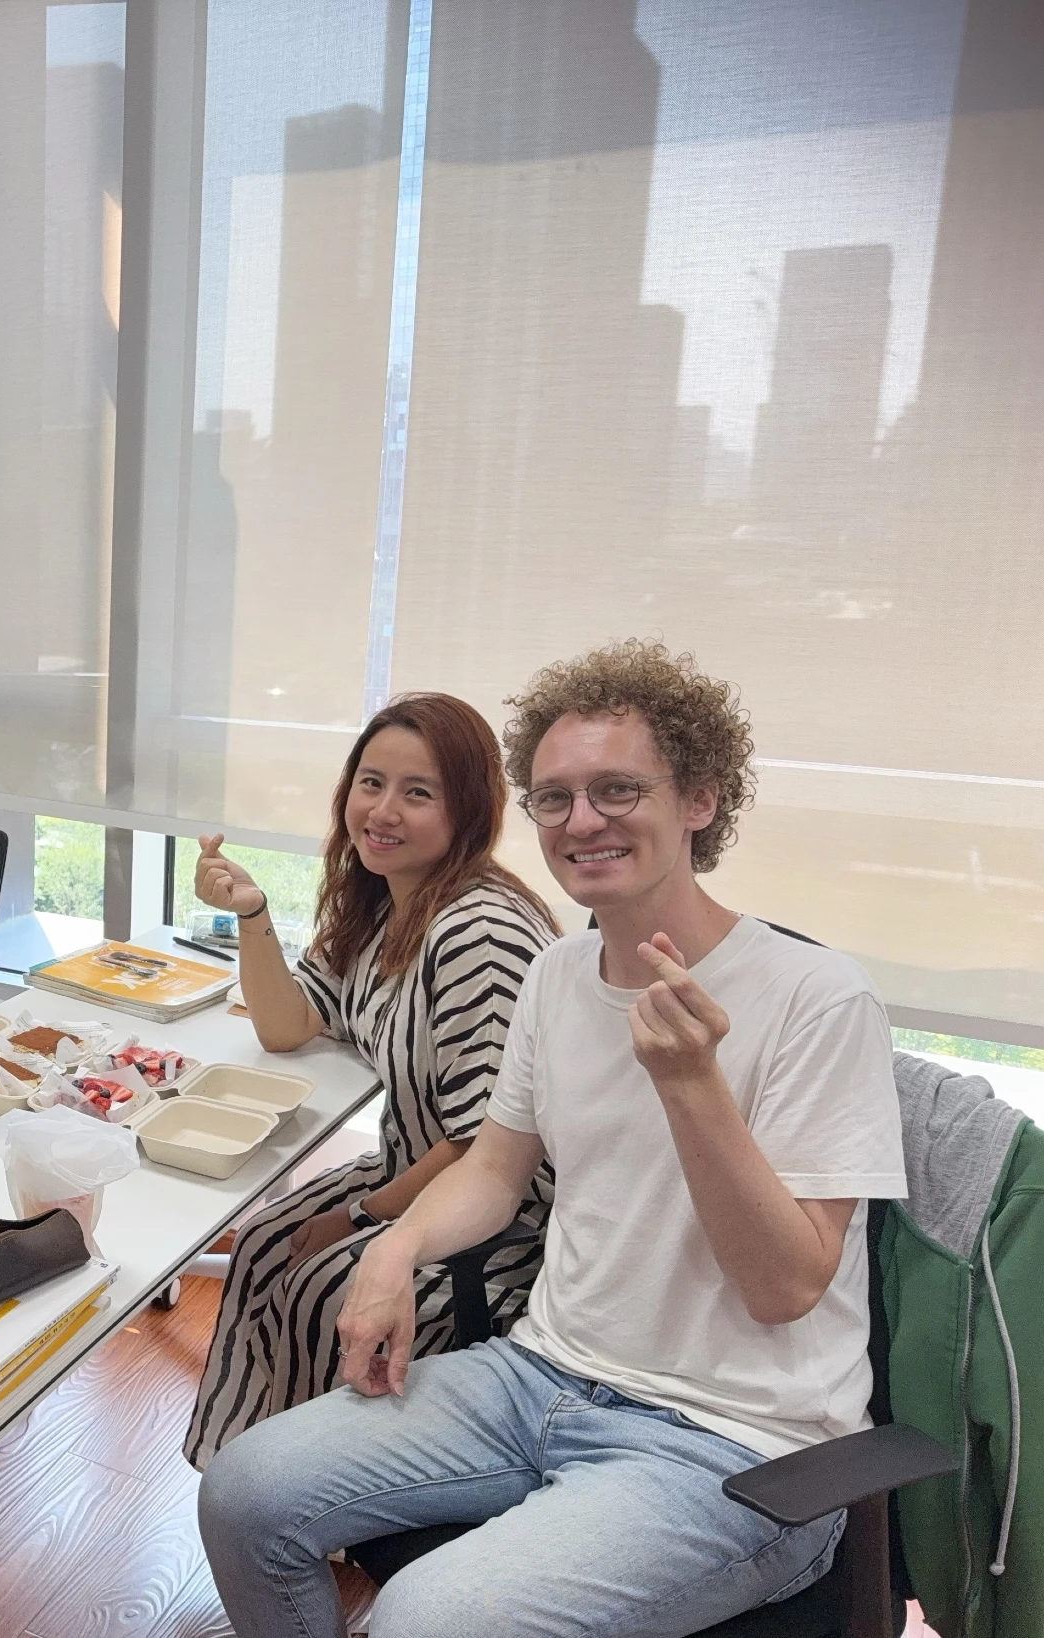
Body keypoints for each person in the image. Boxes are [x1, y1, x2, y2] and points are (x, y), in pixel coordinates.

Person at [198, 640, 909, 1638]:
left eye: (618, 790)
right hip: (540, 1373)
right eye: (555, 797)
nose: (582, 821)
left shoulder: (816, 997)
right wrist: (393, 1250)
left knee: (421, 1619)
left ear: (700, 800)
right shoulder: (560, 977)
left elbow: (786, 1286)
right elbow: (493, 1167)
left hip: (735, 1447)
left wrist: (693, 1085)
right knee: (243, 1494)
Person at [184, 693, 559, 1470]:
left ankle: (324, 1492)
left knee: (321, 1289)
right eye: (371, 782)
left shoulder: (477, 931)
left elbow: (483, 1149)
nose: (383, 811)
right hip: (409, 1173)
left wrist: (356, 1217)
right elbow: (288, 1024)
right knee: (261, 1243)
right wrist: (254, 913)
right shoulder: (384, 900)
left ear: (469, 811)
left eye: (418, 793)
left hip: (498, 1222)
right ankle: (257, 1480)